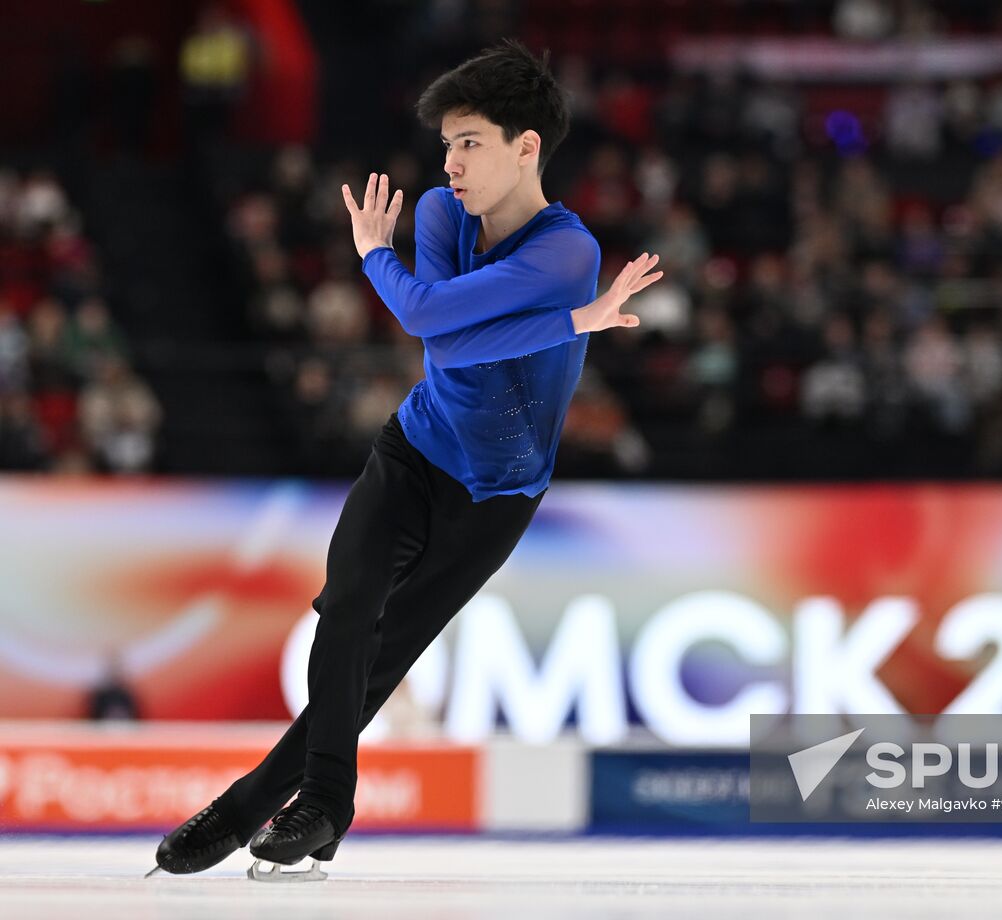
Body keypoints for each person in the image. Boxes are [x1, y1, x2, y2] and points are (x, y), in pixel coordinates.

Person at [150, 39, 661, 879]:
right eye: (447, 145)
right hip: (416, 447)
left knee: (387, 653)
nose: (451, 164)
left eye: (470, 143)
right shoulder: (437, 215)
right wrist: (573, 324)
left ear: (525, 147)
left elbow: (432, 321)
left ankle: (248, 806)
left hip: (497, 493)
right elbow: (439, 336)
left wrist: (376, 262)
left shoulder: (565, 252)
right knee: (346, 607)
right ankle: (324, 801)